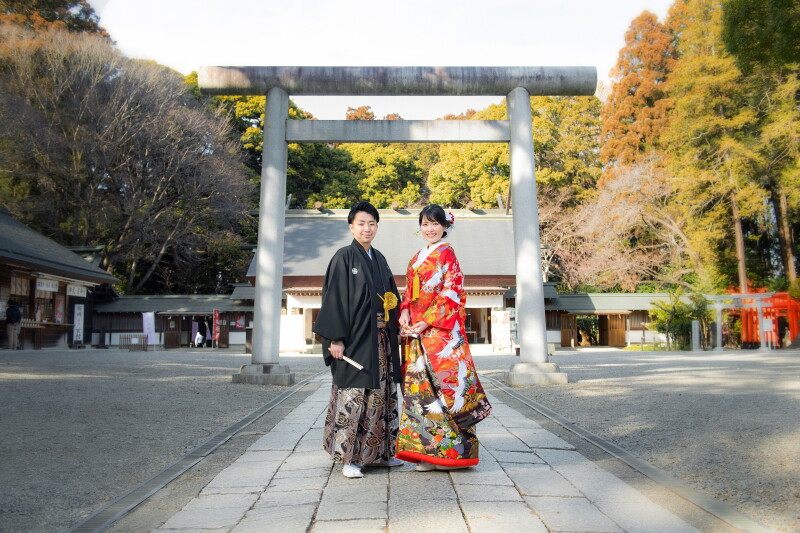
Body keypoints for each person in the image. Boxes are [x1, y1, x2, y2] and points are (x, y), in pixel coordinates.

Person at [396, 205, 492, 471]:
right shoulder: (416, 257)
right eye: (425, 224)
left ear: (445, 227)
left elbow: (451, 293)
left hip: (441, 335)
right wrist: (404, 313)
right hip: (416, 334)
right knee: (421, 393)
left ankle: (453, 454)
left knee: (447, 392)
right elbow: (408, 293)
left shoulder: (447, 254)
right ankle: (427, 452)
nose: (430, 229)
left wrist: (425, 321)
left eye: (435, 224)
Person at [313, 201, 404, 478]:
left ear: (377, 227)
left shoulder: (380, 259)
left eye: (372, 223)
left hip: (381, 339)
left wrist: (398, 319)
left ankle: (379, 454)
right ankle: (349, 458)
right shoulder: (344, 257)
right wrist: (335, 339)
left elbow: (391, 298)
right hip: (354, 339)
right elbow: (335, 299)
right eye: (361, 223)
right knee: (354, 397)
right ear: (351, 226)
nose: (367, 228)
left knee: (382, 396)